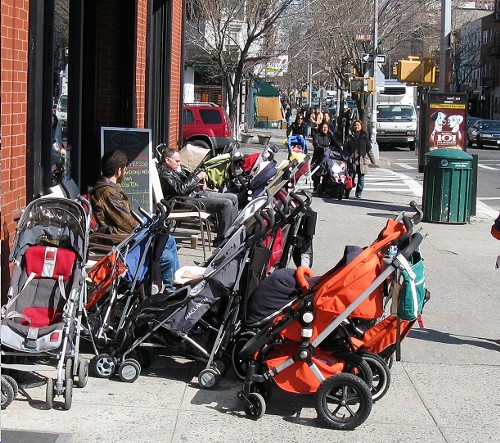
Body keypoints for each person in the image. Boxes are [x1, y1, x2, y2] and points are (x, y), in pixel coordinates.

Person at [90, 150, 179, 292]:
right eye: (125, 168)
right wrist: (147, 223)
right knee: (166, 256)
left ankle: (172, 287)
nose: (125, 171)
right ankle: (168, 290)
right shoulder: (108, 193)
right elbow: (129, 224)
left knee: (169, 240)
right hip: (121, 242)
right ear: (119, 170)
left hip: (124, 237)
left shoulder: (108, 189)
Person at [158, 146, 238, 247]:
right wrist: (197, 177)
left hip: (192, 195)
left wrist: (196, 186)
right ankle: (221, 238)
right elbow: (180, 190)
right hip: (184, 202)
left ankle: (232, 233)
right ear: (167, 160)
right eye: (177, 161)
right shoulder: (165, 174)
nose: (179, 163)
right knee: (226, 204)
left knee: (233, 197)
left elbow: (182, 186)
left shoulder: (172, 171)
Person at [345, 119, 377, 199]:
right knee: (350, 177)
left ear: (361, 126)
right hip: (352, 161)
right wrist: (346, 158)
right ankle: (347, 191)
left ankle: (358, 193)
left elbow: (369, 150)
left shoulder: (364, 137)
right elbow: (345, 149)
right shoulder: (349, 137)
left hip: (362, 161)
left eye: (358, 125)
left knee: (361, 179)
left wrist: (373, 161)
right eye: (355, 125)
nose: (356, 127)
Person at [312, 122, 343, 191]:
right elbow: (316, 144)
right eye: (323, 127)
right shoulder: (317, 135)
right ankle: (316, 187)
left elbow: (335, 144)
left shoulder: (329, 135)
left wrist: (341, 151)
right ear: (320, 128)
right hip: (318, 156)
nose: (325, 129)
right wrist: (323, 148)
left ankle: (324, 186)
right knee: (317, 173)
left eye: (326, 127)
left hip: (327, 156)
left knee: (328, 171)